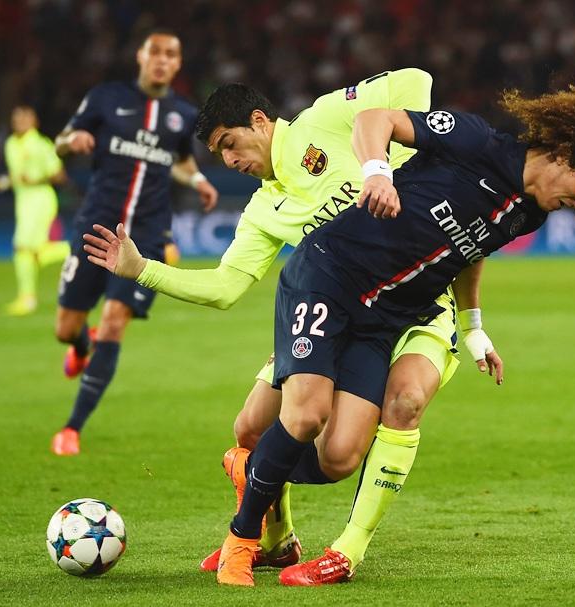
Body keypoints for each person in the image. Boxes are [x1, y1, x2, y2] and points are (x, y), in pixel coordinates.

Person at [202, 84, 575, 586]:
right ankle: (241, 541)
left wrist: (473, 326)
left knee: (341, 455)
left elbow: (469, 251)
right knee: (305, 415)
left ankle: (254, 469)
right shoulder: (477, 141)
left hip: (384, 316)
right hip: (331, 275)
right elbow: (376, 118)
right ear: (565, 154)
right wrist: (377, 173)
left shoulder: (532, 210)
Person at [81, 70, 500, 572]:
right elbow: (225, 287)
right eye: (220, 155)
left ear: (260, 121)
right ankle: (278, 541)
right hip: (340, 315)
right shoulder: (262, 211)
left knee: (394, 411)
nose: (231, 161)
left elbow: (416, 79)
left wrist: (395, 164)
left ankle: (348, 549)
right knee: (251, 428)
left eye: (231, 145)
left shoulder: (325, 118)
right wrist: (141, 269)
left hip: (419, 305)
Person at [50, 29, 218, 456]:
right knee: (65, 328)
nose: (162, 60)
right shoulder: (105, 98)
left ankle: (72, 428)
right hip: (94, 228)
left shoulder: (182, 113)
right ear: (141, 56)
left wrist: (197, 178)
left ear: (178, 64)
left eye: (171, 55)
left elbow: (179, 161)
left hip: (143, 236)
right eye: (155, 52)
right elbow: (61, 142)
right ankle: (81, 345)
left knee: (114, 319)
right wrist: (75, 142)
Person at [0, 105, 69, 316]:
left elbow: (60, 175)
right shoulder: (10, 144)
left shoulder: (41, 144)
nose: (19, 122)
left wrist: (36, 178)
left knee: (22, 248)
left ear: (34, 121)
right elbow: (16, 175)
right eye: (16, 118)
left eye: (24, 118)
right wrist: (3, 182)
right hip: (23, 201)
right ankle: (74, 249)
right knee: (31, 252)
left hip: (40, 199)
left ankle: (27, 298)